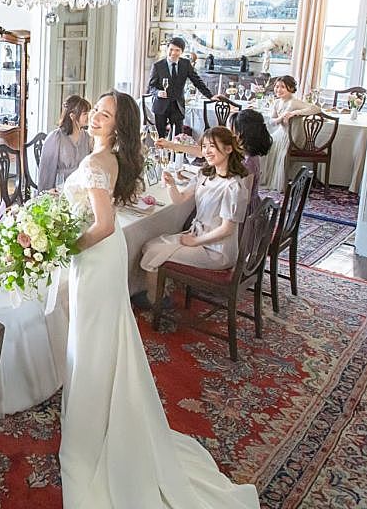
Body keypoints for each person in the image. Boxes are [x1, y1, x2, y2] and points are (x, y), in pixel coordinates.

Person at [59, 92, 259, 508]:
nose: (95, 117)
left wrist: (65, 247)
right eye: (96, 110)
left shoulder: (96, 162)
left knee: (93, 337)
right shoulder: (112, 158)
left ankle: (92, 425)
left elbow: (104, 224)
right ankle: (103, 409)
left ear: (118, 126)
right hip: (104, 257)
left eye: (105, 115)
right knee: (102, 334)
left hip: (95, 257)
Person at [141, 126, 251, 308]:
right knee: (148, 246)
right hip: (197, 235)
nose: (206, 151)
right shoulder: (204, 174)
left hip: (216, 250)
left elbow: (227, 230)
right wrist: (171, 185)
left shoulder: (233, 187)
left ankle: (155, 301)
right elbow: (180, 199)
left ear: (228, 149)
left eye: (212, 146)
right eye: (204, 146)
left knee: (153, 253)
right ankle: (163, 290)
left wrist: (195, 241)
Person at [158, 109, 271, 214]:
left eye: (231, 131)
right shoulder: (239, 149)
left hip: (239, 214)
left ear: (241, 134)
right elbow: (202, 152)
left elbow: (244, 200)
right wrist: (171, 145)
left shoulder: (248, 161)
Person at [260, 75, 319, 190]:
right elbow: (271, 122)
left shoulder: (294, 102)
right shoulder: (277, 102)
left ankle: (282, 181)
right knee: (265, 145)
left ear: (291, 88)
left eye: (283, 87)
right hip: (281, 132)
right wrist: (279, 118)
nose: (278, 89)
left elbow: (316, 109)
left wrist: (294, 113)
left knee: (278, 147)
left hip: (293, 135)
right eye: (277, 86)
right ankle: (265, 177)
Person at [147, 37, 214, 139]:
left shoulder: (185, 64)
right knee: (160, 138)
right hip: (161, 106)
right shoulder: (157, 66)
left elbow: (197, 81)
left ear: (182, 51)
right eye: (171, 49)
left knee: (179, 138)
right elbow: (151, 86)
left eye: (177, 50)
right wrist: (158, 92)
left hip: (177, 106)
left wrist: (210, 96)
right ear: (167, 49)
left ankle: (175, 150)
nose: (173, 53)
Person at [37, 95, 92, 190]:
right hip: (60, 189)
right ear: (72, 116)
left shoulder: (87, 137)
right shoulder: (56, 137)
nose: (89, 116)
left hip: (81, 189)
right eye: (85, 114)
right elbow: (46, 172)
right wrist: (46, 194)